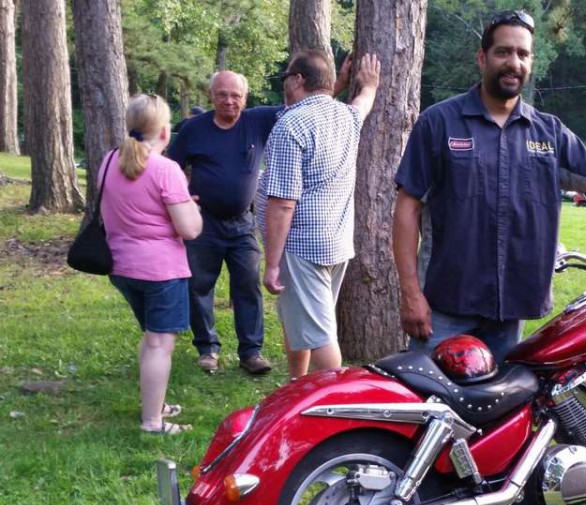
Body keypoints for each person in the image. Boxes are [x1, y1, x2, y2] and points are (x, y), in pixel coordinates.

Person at [392, 10, 586, 363]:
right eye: (503, 52)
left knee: (504, 413)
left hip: (509, 314)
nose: (513, 62)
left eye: (522, 54)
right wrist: (410, 292)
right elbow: (407, 207)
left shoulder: (549, 133)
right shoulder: (439, 123)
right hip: (444, 309)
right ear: (482, 58)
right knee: (433, 408)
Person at [260, 50, 380, 380]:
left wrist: (271, 264)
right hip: (336, 241)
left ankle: (339, 409)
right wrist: (367, 84)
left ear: (298, 80)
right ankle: (296, 385)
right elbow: (363, 102)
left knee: (320, 335)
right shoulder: (346, 116)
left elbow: (283, 202)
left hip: (302, 245)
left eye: (286, 76)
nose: (285, 82)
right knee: (301, 319)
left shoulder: (290, 125)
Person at [100, 94, 203, 434]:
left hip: (122, 267)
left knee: (150, 338)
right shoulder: (166, 169)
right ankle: (152, 422)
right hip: (161, 271)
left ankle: (154, 405)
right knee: (160, 344)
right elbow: (189, 229)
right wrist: (190, 204)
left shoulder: (108, 161)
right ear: (163, 130)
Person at [167, 71, 278, 375]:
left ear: (246, 96)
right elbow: (170, 167)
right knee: (199, 285)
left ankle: (251, 352)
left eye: (236, 95)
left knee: (248, 285)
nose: (229, 101)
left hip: (243, 224)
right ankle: (207, 348)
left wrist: (337, 83)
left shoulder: (258, 120)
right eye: (222, 94)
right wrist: (183, 199)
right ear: (211, 96)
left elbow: (306, 103)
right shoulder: (194, 129)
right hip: (203, 223)